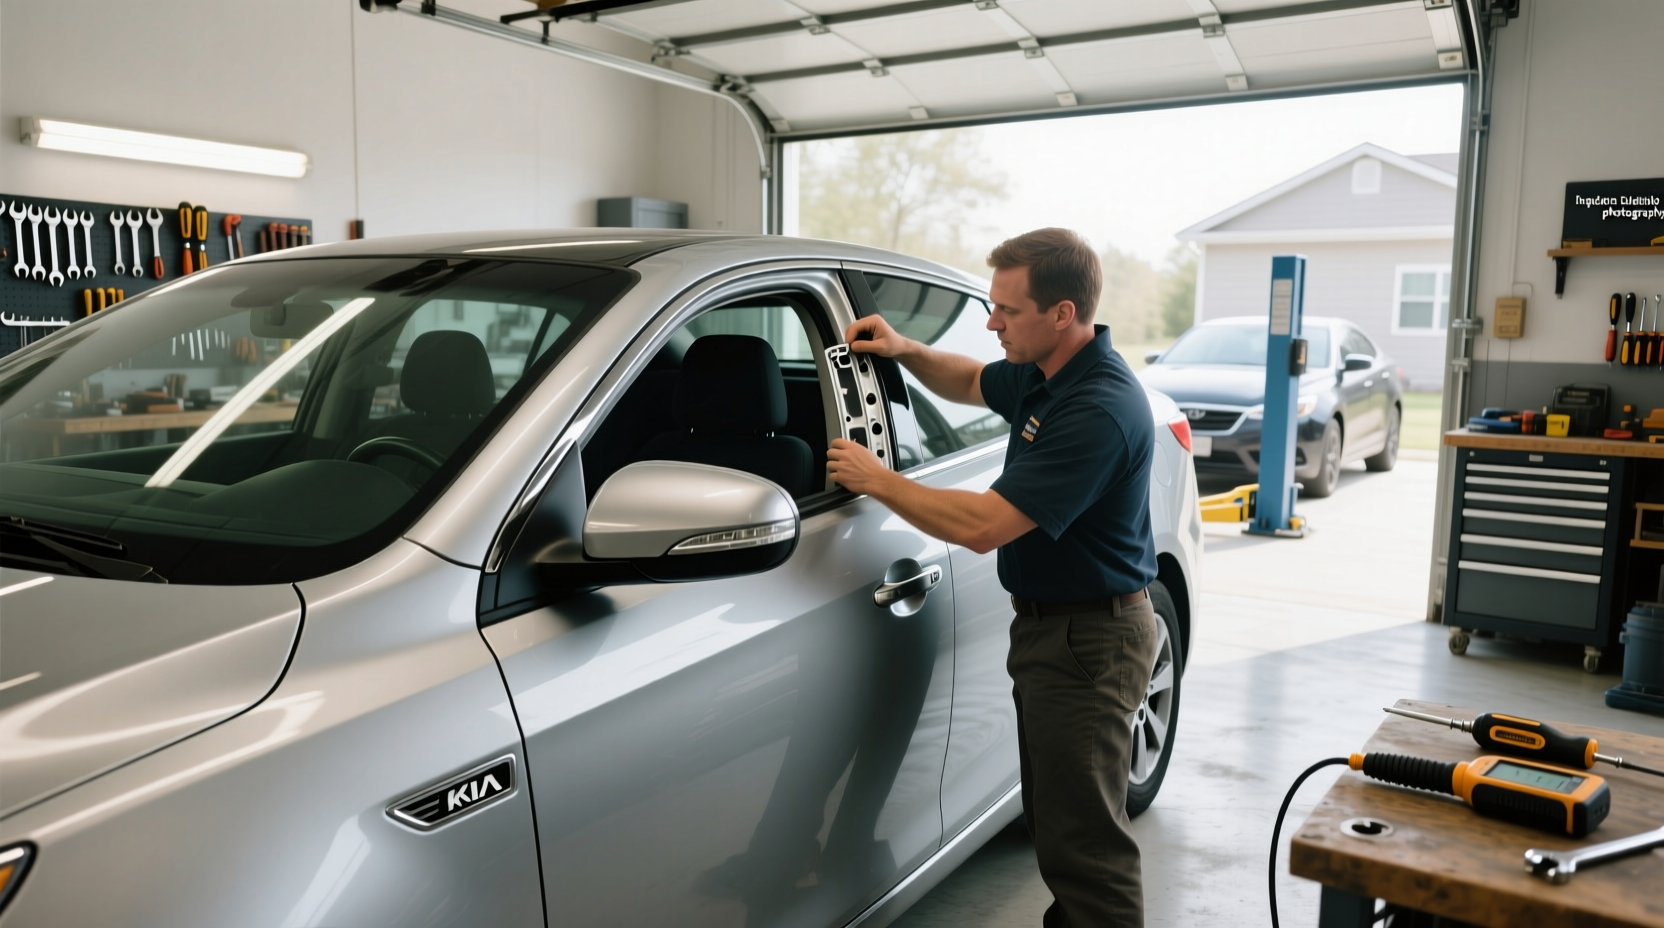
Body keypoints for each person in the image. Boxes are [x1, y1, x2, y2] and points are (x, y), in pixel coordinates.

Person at [826, 227, 1160, 927]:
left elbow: (982, 527)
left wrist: (877, 479)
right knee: (1056, 823)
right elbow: (972, 380)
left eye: (1006, 310)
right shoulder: (1048, 373)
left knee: (1087, 852)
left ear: (1062, 314)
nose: (991, 322)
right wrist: (906, 350)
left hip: (1089, 643)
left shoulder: (1096, 408)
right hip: (1057, 633)